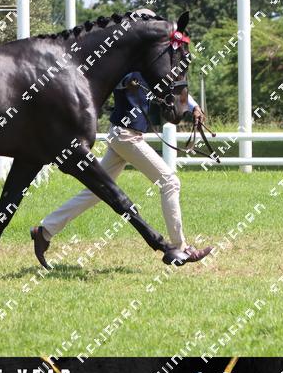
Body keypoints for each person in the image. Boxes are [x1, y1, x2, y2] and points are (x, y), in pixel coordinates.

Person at [31, 69, 215, 266]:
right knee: (170, 182)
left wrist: (194, 106)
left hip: (124, 134)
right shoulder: (127, 64)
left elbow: (171, 87)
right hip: (126, 136)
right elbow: (116, 80)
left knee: (96, 191)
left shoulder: (148, 65)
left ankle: (45, 230)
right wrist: (128, 81)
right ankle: (181, 247)